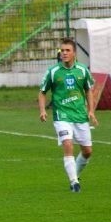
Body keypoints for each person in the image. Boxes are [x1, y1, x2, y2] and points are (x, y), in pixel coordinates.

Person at [38, 37, 98, 192]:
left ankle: (74, 176)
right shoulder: (53, 72)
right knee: (68, 144)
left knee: (87, 151)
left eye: (67, 50)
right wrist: (43, 110)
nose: (64, 53)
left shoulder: (83, 70)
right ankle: (74, 183)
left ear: (74, 53)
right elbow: (42, 92)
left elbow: (89, 91)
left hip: (80, 115)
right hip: (62, 116)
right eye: (62, 50)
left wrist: (91, 111)